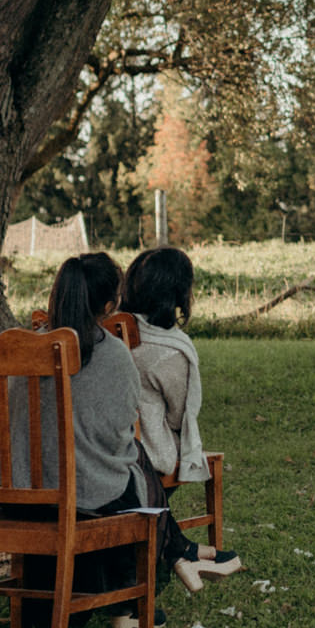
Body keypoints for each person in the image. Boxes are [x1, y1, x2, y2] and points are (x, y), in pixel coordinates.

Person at [9, 254, 170, 628]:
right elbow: (123, 426)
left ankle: (72, 606)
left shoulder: (25, 344)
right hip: (78, 494)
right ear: (110, 305)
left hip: (20, 490)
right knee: (133, 474)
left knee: (113, 472)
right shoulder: (111, 351)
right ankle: (128, 604)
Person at [118, 246, 241, 588]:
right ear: (178, 293)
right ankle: (179, 552)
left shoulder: (108, 332)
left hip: (105, 443)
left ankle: (183, 550)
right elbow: (179, 415)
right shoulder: (171, 350)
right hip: (146, 453)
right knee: (170, 445)